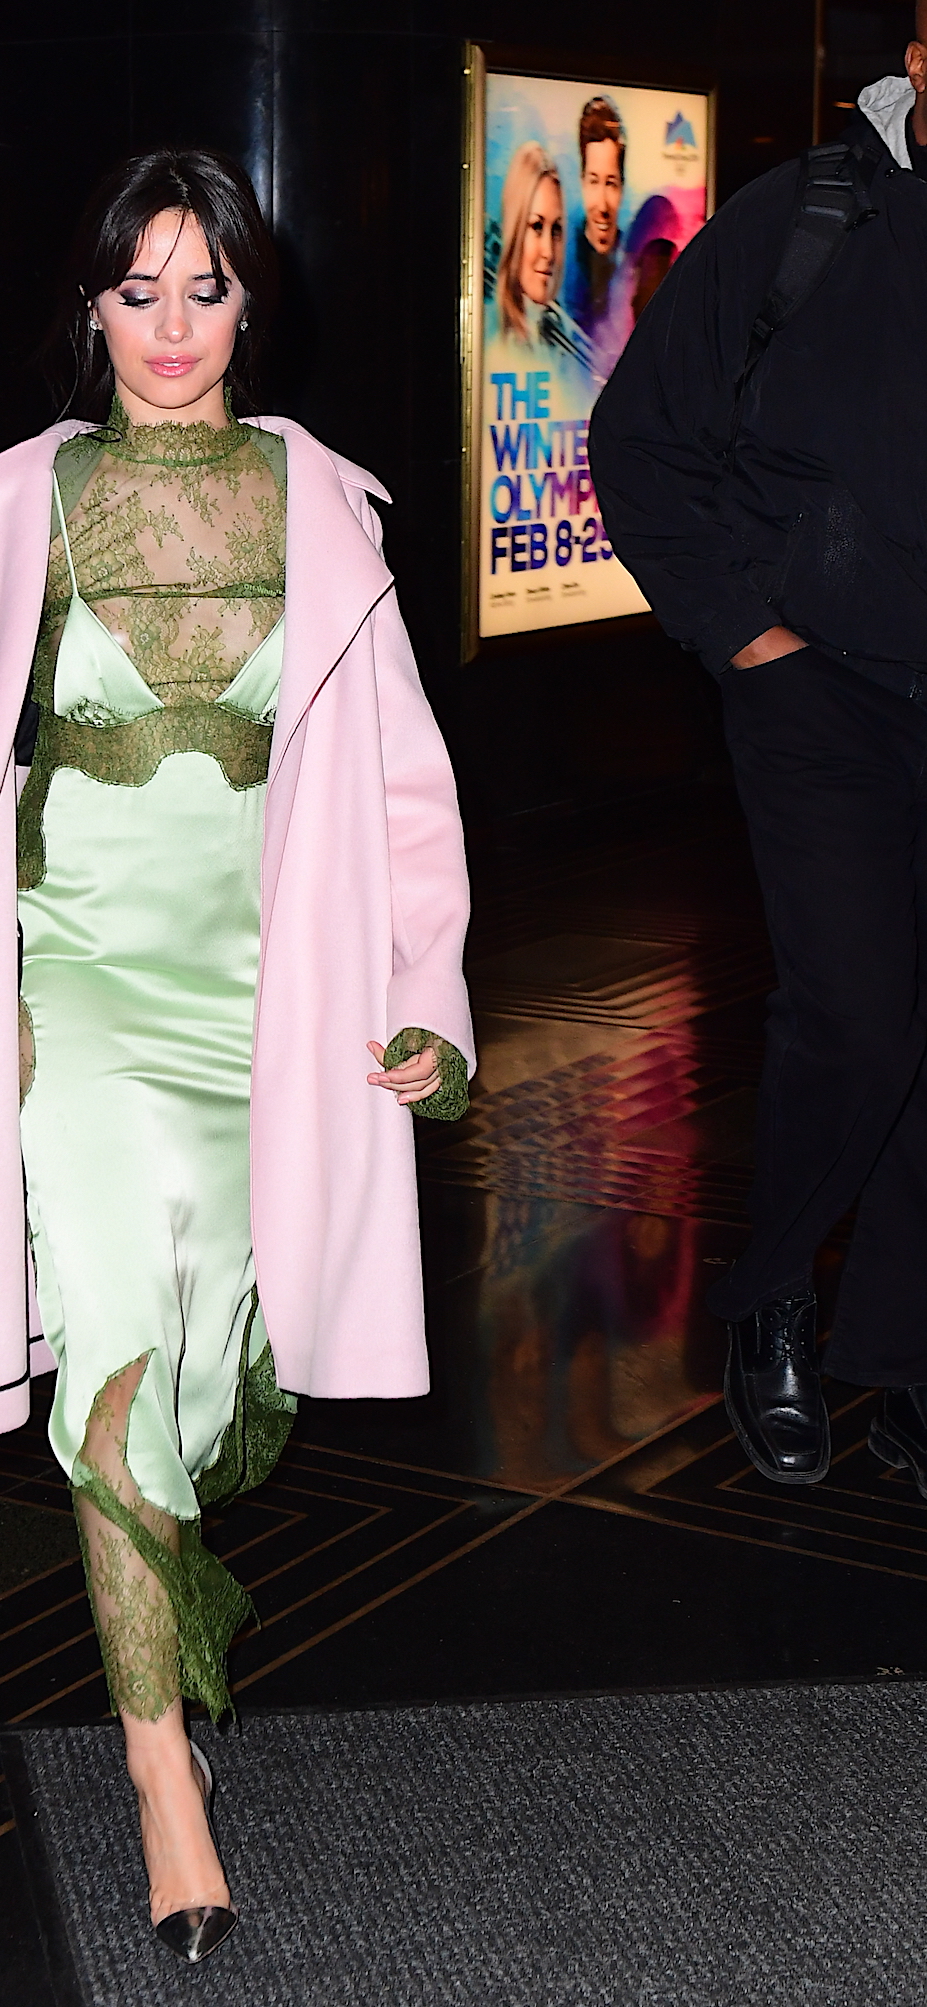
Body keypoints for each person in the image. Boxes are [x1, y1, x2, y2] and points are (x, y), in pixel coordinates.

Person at [0, 148, 473, 1961]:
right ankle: (159, 1775)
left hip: (270, 988)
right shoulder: (30, 505)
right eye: (138, 291)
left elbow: (408, 789)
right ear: (91, 308)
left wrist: (427, 1001)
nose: (171, 328)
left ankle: (164, 1625)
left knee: (199, 1368)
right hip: (80, 979)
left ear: (250, 305)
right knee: (114, 1348)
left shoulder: (318, 505)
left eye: (204, 289)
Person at [589, 20, 927, 1495]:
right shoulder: (808, 214)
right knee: (857, 1019)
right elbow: (642, 440)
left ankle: (904, 1355)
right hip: (822, 692)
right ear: (920, 54)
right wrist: (747, 637)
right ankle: (773, 1293)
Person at [562, 97, 627, 351]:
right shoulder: (562, 262)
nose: (602, 205)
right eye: (593, 181)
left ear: (622, 187)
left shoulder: (633, 264)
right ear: (581, 183)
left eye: (610, 183)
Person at [496, 142, 566, 345]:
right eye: (537, 227)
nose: (548, 252)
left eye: (556, 229)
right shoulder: (496, 344)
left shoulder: (557, 339)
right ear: (514, 230)